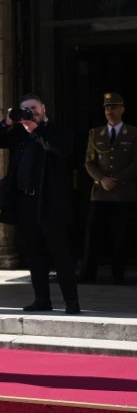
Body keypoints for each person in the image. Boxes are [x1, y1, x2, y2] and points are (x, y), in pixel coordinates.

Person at [0, 93, 80, 315]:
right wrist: (7, 122)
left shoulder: (57, 130)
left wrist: (35, 130)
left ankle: (71, 302)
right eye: (26, 109)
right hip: (25, 201)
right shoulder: (18, 133)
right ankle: (42, 299)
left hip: (50, 203)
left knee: (59, 254)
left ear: (44, 108)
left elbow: (61, 150)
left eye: (34, 108)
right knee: (34, 255)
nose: (31, 113)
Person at [82, 92, 134, 284]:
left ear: (122, 109)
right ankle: (88, 272)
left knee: (121, 235)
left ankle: (118, 273)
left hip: (124, 193)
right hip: (100, 192)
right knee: (94, 233)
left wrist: (116, 180)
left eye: (113, 107)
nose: (109, 111)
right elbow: (89, 162)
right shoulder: (96, 134)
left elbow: (134, 164)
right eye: (107, 108)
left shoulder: (133, 133)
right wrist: (102, 179)